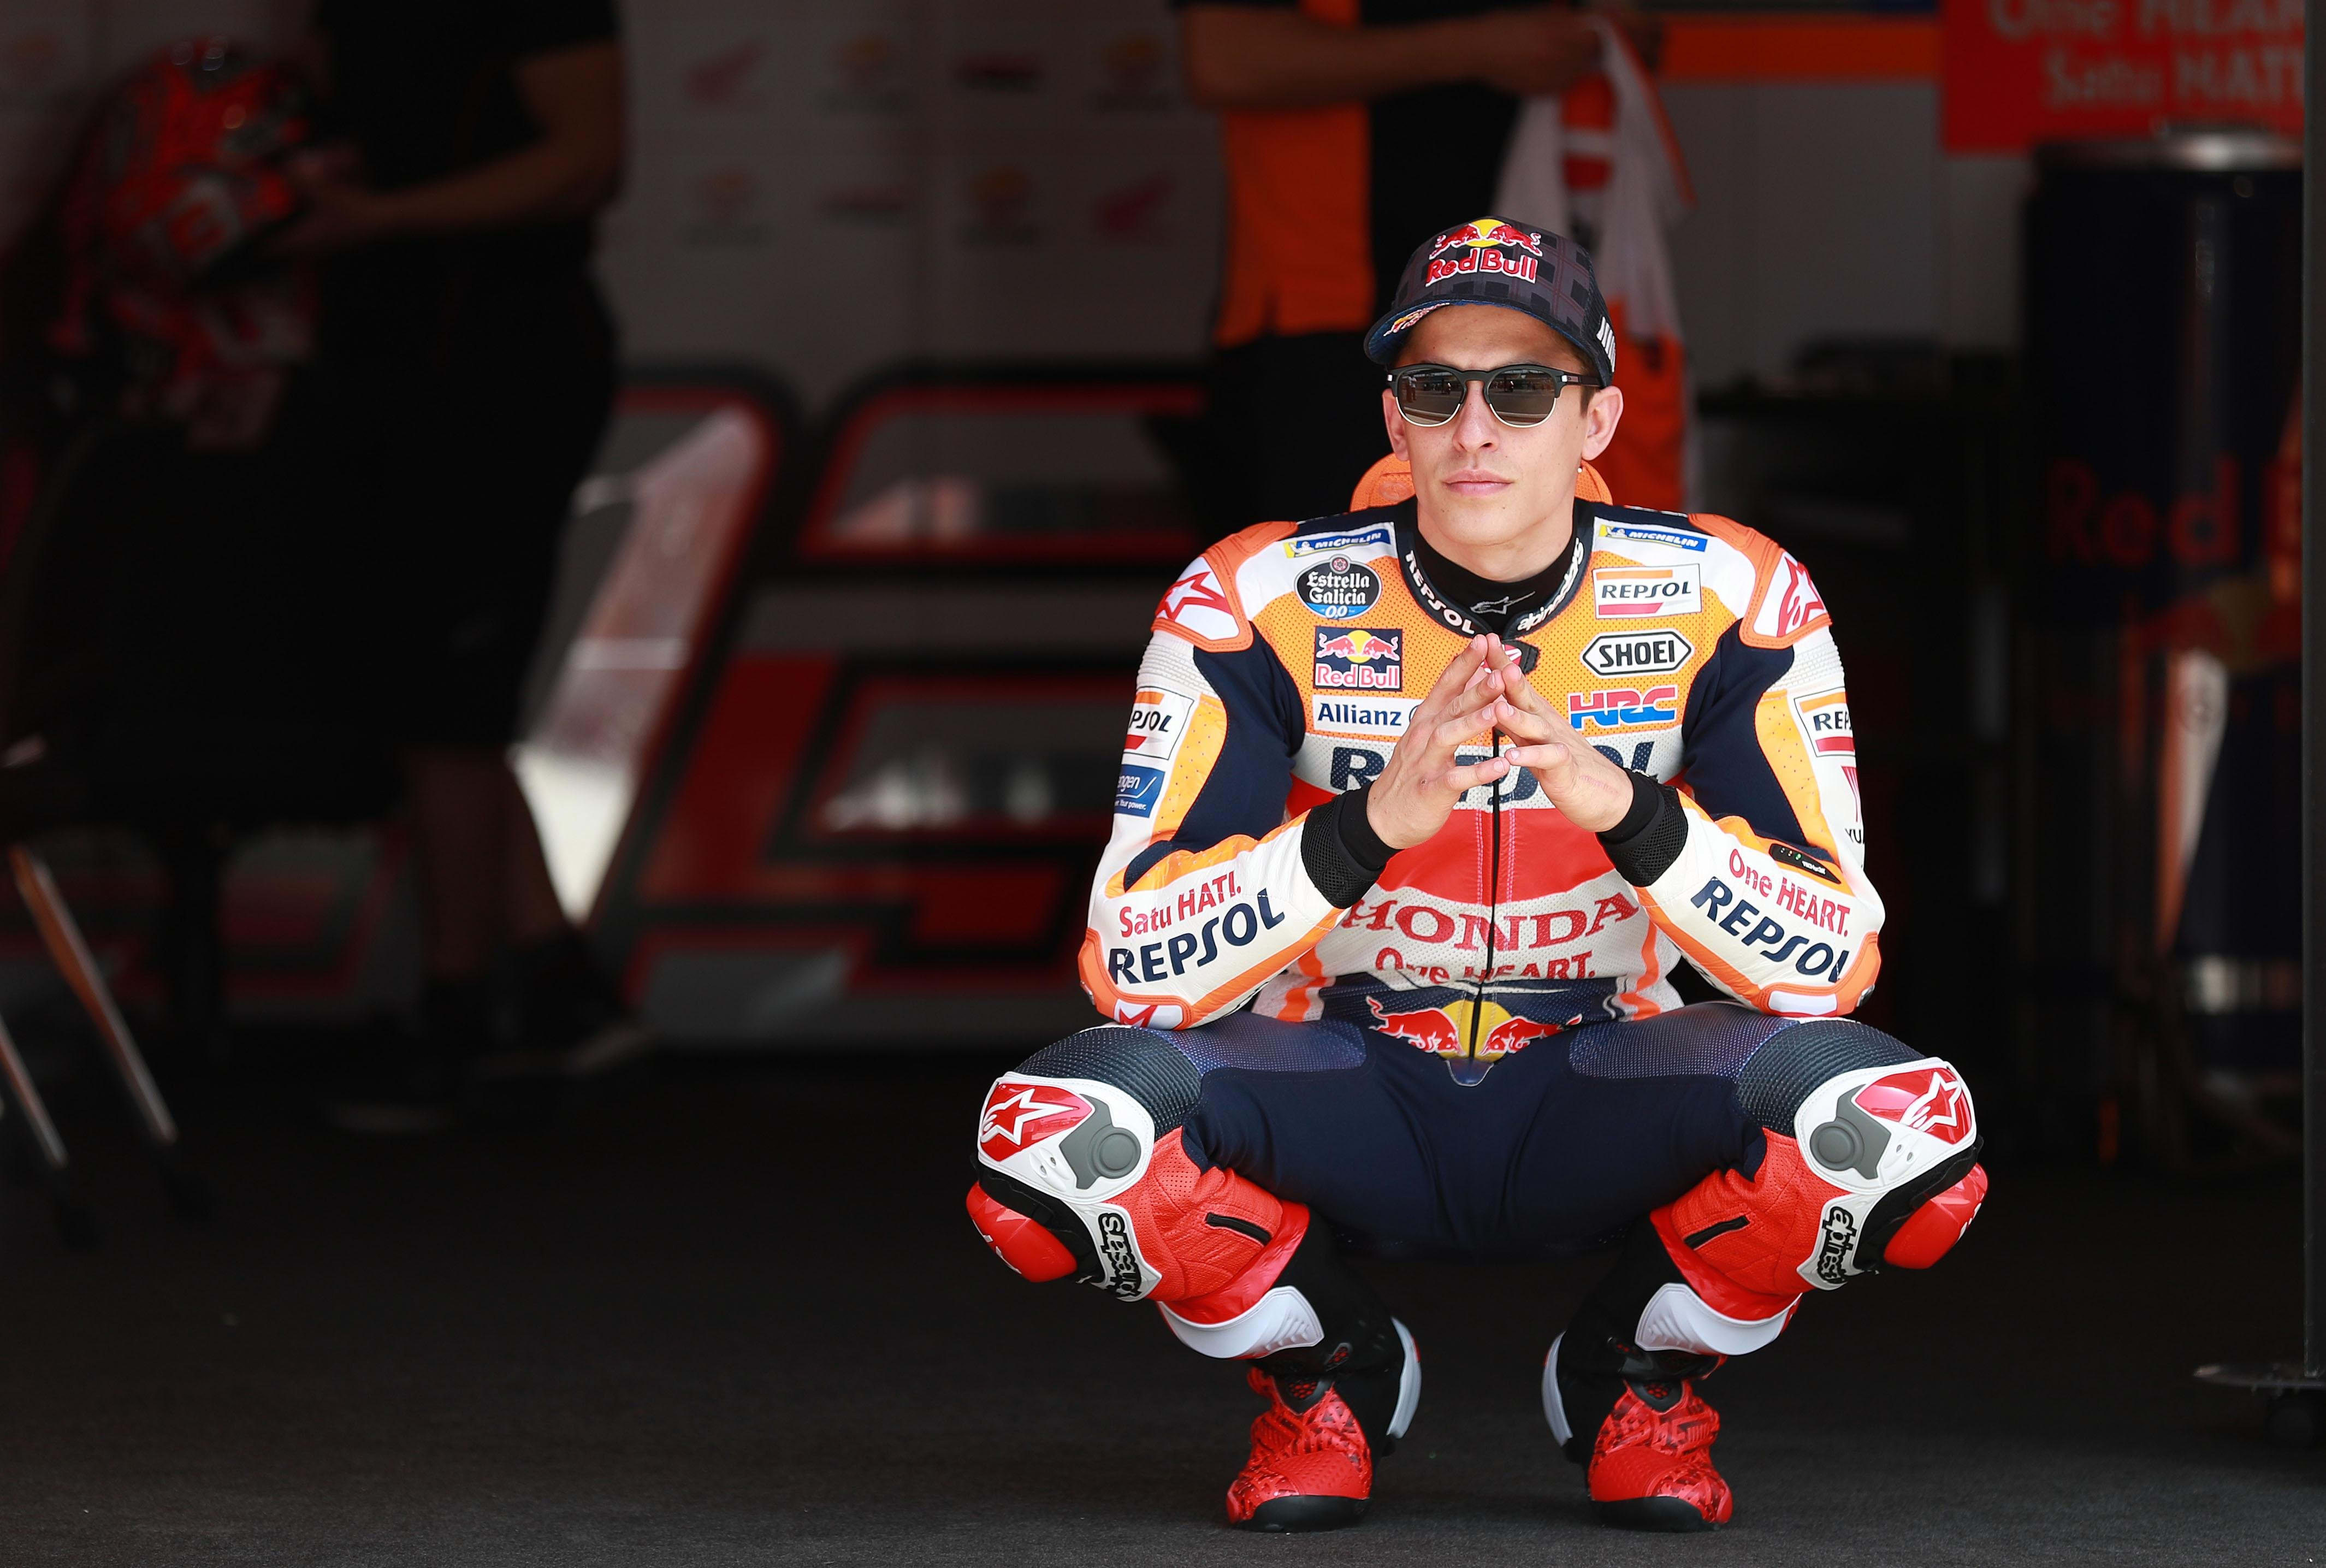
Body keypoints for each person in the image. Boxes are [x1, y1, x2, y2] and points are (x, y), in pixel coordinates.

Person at [964, 218, 1988, 1533]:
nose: (1473, 428)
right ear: (1392, 418)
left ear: (1596, 418)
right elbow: (1130, 967)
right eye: (1434, 387)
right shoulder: (1251, 593)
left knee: (1908, 1136)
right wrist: (1367, 826)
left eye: (1520, 387)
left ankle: (1636, 1374)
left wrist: (1623, 809)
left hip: (1601, 1080)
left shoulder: (1732, 593)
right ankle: (1326, 1371)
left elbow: (1828, 963)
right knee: (1045, 1142)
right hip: (1342, 1079)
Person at [274, 2, 635, 1118]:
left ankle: (459, 1017)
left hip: (494, 358)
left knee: (448, 709)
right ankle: (557, 985)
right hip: (393, 356)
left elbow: (588, 159)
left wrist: (381, 217)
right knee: (431, 696)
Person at [1168, 0, 1644, 526]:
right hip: (1327, 313)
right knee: (1333, 561)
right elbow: (1222, 58)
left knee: (1546, 551)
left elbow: (1641, 33)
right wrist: (1477, 48)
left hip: (1540, 296)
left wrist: (1598, 32)